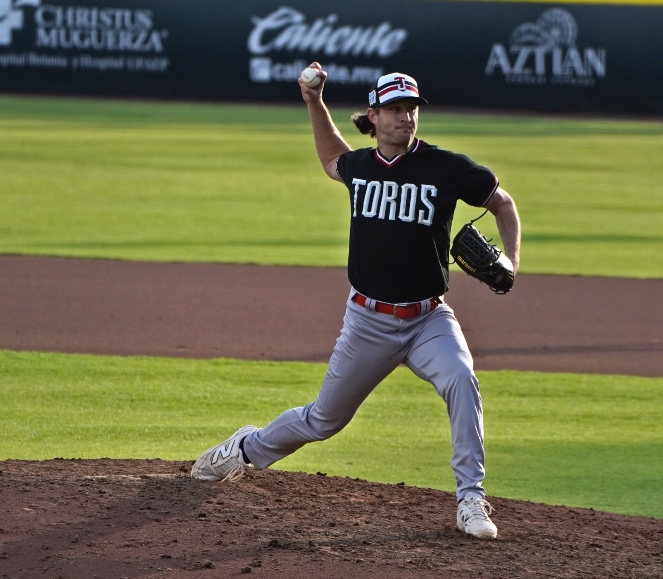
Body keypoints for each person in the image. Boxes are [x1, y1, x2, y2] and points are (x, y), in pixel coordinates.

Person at [191, 65, 522, 540]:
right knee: (324, 420)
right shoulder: (361, 167)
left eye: (411, 109)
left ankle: (470, 498)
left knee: (461, 380)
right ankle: (244, 449)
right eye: (394, 109)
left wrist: (510, 261)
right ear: (374, 115)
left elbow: (503, 204)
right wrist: (313, 101)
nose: (405, 118)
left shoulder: (447, 168)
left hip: (430, 318)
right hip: (368, 321)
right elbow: (331, 159)